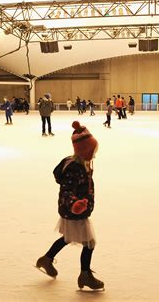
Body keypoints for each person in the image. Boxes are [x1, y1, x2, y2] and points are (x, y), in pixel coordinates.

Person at [35, 121, 104, 290]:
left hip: (75, 210)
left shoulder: (81, 164)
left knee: (68, 238)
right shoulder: (74, 168)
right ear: (84, 151)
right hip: (74, 211)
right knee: (89, 243)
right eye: (92, 152)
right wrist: (75, 204)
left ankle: (47, 258)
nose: (94, 155)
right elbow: (66, 191)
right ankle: (85, 275)